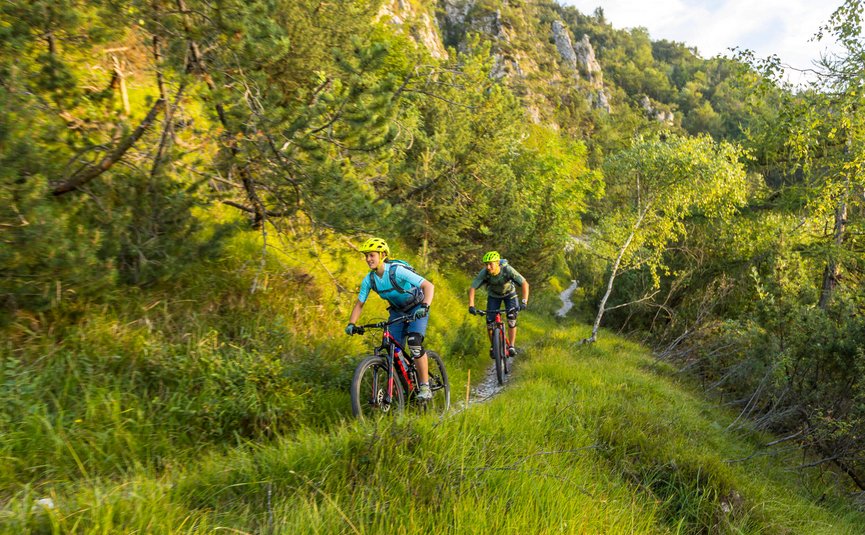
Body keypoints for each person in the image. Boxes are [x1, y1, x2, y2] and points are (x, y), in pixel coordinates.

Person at [345, 237, 435, 400]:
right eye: (366, 256)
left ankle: (425, 386)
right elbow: (359, 304)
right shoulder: (370, 280)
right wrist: (352, 323)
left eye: (371, 255)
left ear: (383, 254)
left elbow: (428, 286)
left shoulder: (396, 271)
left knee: (414, 342)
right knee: (394, 351)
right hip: (397, 312)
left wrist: (424, 306)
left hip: (417, 307)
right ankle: (406, 388)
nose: (368, 259)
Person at [468, 251, 529, 357]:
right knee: (490, 321)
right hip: (494, 296)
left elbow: (524, 283)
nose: (488, 267)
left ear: (497, 263)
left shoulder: (507, 269)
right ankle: (493, 346)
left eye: (490, 264)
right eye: (486, 264)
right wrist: (471, 305)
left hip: (510, 294)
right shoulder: (484, 273)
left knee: (511, 318)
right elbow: (473, 287)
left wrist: (524, 301)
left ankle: (511, 346)